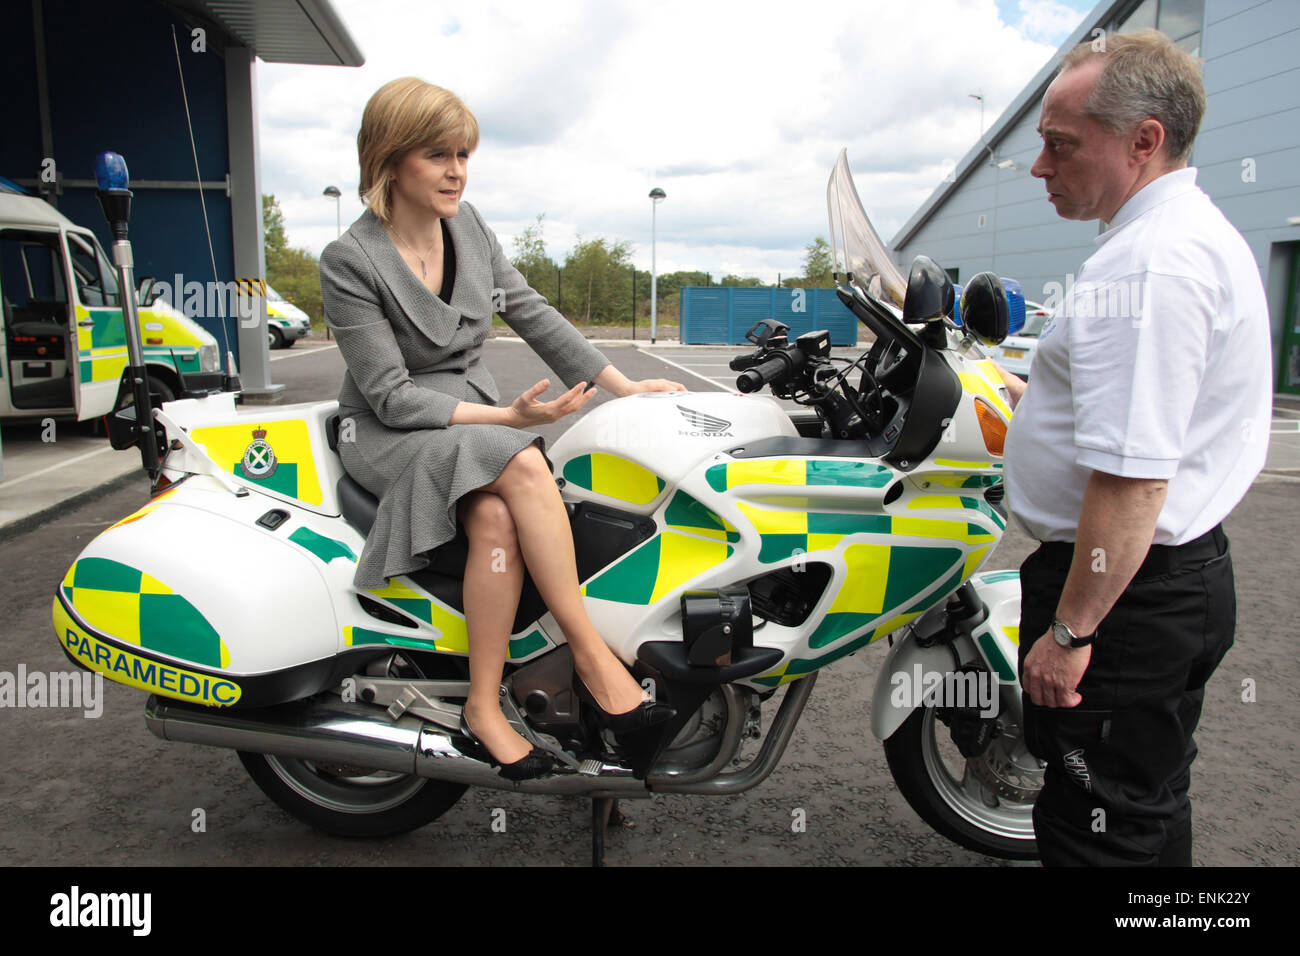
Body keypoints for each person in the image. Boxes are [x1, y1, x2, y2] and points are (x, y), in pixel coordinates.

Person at [319, 78, 684, 781]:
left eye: (464, 154)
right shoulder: (351, 260)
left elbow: (534, 312)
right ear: (391, 160)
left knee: (494, 518)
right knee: (521, 460)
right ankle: (596, 663)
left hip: (462, 418)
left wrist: (624, 385)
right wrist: (510, 420)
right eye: (438, 155)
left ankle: (482, 709)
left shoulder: (471, 227)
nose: (457, 170)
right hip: (386, 429)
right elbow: (392, 398)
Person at [996, 31, 1272, 865]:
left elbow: (1132, 482)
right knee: (1137, 801)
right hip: (1162, 585)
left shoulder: (1149, 267)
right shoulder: (1170, 237)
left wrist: (1071, 636)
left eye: (1060, 144)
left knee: (1100, 826)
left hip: (1126, 593)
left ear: (1143, 140)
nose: (1041, 168)